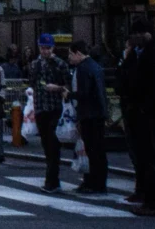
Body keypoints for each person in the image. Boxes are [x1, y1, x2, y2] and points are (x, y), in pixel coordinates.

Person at [120, 18, 155, 216]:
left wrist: (146, 108)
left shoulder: (154, 53)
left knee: (151, 157)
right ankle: (148, 196)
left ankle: (154, 201)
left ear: (145, 34)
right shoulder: (145, 52)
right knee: (145, 156)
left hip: (149, 113)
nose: (133, 40)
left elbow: (149, 84)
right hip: (143, 111)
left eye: (136, 35)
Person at [27, 33, 71, 194]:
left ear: (52, 48)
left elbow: (68, 85)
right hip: (40, 108)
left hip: (55, 108)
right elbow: (32, 82)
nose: (45, 51)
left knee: (53, 145)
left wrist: (58, 88)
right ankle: (52, 178)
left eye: (47, 48)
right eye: (42, 48)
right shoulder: (35, 64)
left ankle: (52, 179)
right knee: (47, 145)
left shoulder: (60, 64)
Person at [66, 41, 108, 195]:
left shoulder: (83, 69)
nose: (69, 58)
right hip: (98, 113)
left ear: (78, 53)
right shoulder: (96, 66)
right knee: (98, 150)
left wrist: (69, 94)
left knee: (92, 150)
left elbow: (84, 93)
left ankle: (94, 183)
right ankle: (97, 182)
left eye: (71, 54)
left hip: (89, 114)